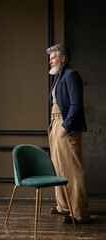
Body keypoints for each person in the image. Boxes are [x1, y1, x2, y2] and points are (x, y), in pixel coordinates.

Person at [47, 44, 90, 223]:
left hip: (65, 126)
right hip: (55, 124)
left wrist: (66, 126)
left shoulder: (71, 75)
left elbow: (76, 105)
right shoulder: (59, 77)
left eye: (53, 58)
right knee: (59, 168)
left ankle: (80, 214)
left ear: (63, 59)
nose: (50, 61)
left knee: (73, 170)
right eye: (50, 59)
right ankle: (64, 207)